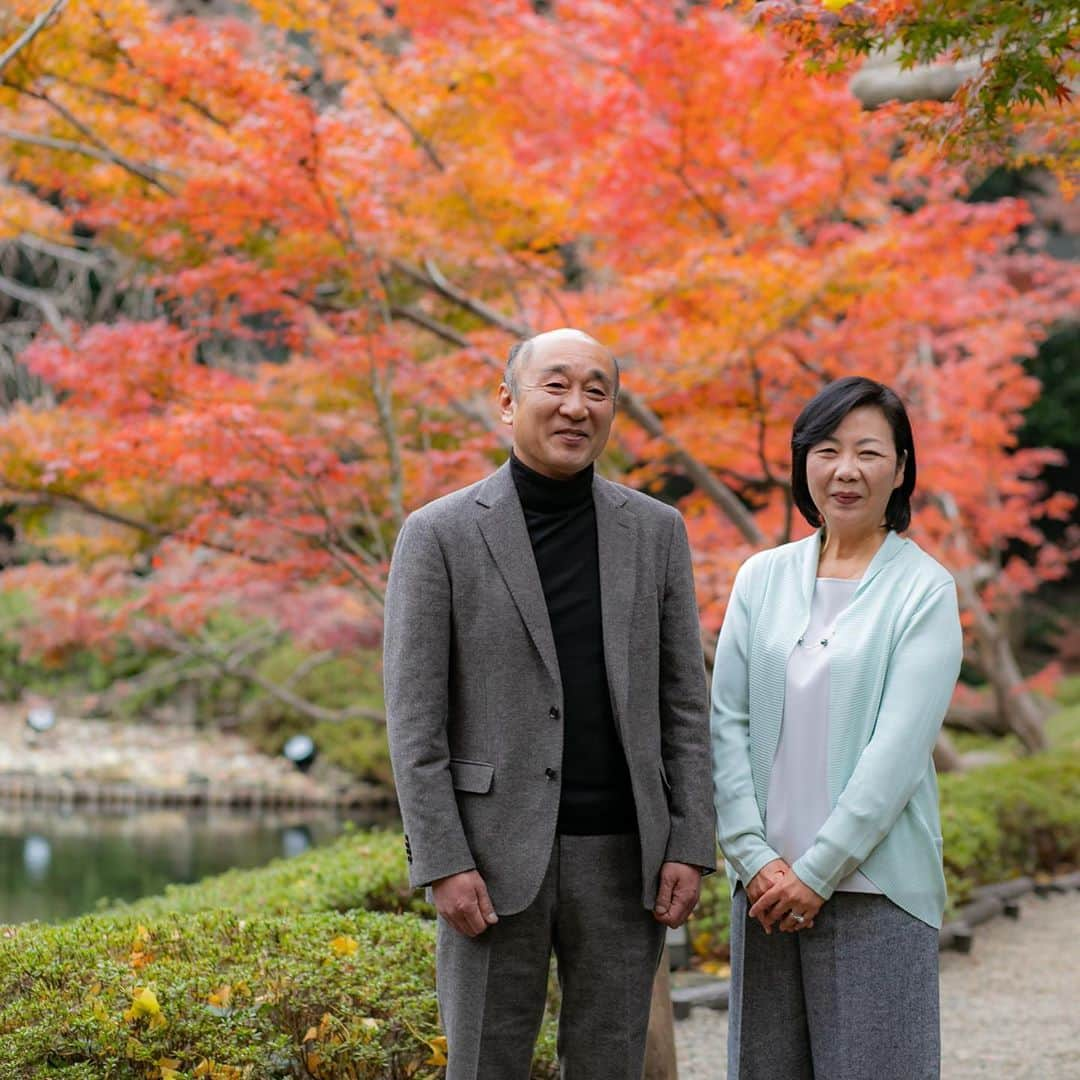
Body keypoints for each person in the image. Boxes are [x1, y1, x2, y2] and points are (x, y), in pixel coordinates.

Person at [384, 327, 716, 1080]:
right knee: (482, 1065)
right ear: (507, 402)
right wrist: (442, 860)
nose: (576, 406)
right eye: (555, 386)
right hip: (491, 861)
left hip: (625, 855)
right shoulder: (438, 535)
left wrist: (691, 843)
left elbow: (683, 703)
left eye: (596, 390)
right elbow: (413, 718)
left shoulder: (655, 531)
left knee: (610, 1064)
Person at [711, 376, 962, 1080]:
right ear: (804, 463)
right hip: (765, 889)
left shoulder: (924, 590)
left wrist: (816, 873)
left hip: (876, 888)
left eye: (868, 452)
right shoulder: (760, 578)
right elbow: (724, 722)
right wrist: (753, 857)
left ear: (901, 468)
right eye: (827, 450)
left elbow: (897, 755)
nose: (845, 470)